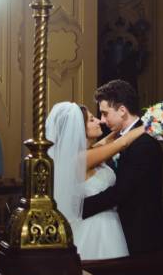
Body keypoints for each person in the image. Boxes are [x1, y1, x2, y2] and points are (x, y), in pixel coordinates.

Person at [45, 101, 143, 260]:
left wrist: (123, 126)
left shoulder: (87, 152)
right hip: (96, 229)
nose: (99, 121)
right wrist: (150, 125)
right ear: (79, 128)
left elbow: (109, 140)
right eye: (91, 120)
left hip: (109, 223)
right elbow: (122, 143)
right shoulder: (80, 159)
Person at [82, 80, 163, 254]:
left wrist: (81, 209)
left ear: (122, 110)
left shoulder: (144, 143)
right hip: (116, 232)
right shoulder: (119, 139)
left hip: (140, 236)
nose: (102, 120)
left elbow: (122, 191)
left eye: (105, 113)